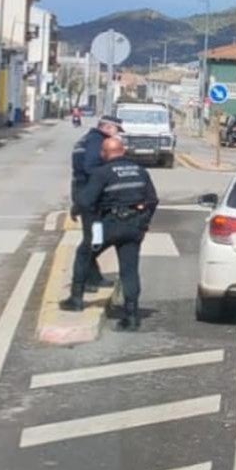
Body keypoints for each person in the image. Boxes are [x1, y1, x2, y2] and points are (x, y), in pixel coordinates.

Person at [60, 136, 158, 331]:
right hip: (133, 226)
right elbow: (152, 200)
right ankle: (131, 317)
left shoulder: (102, 173)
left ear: (104, 154)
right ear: (123, 151)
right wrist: (144, 224)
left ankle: (76, 299)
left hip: (106, 226)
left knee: (84, 254)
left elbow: (86, 201)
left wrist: (82, 213)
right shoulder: (141, 171)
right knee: (129, 270)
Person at [67, 116, 123, 296]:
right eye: (116, 130)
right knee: (92, 239)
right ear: (106, 127)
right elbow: (90, 167)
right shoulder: (97, 141)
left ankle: (94, 276)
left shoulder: (89, 139)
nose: (117, 135)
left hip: (84, 194)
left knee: (96, 237)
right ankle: (87, 280)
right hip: (90, 196)